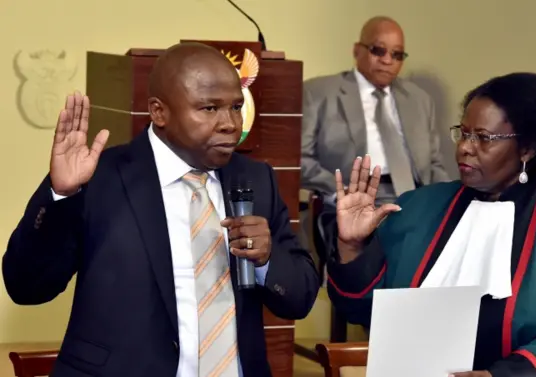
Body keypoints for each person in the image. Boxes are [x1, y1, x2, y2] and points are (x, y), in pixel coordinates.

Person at [2, 42, 319, 377]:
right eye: (209, 109)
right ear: (159, 112)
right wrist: (60, 195)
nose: (230, 123)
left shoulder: (256, 179)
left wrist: (267, 262)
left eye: (236, 106)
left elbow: (299, 298)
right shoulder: (99, 178)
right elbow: (27, 287)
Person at [326, 72, 536, 377]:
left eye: (483, 138)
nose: (465, 148)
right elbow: (362, 310)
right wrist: (352, 246)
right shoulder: (416, 208)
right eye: (464, 133)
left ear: (528, 148)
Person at [301, 16, 449, 206]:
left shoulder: (419, 100)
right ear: (357, 50)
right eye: (378, 51)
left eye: (397, 55)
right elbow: (301, 159)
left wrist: (451, 202)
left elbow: (434, 165)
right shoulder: (319, 93)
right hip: (354, 196)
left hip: (415, 197)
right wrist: (339, 192)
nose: (387, 60)